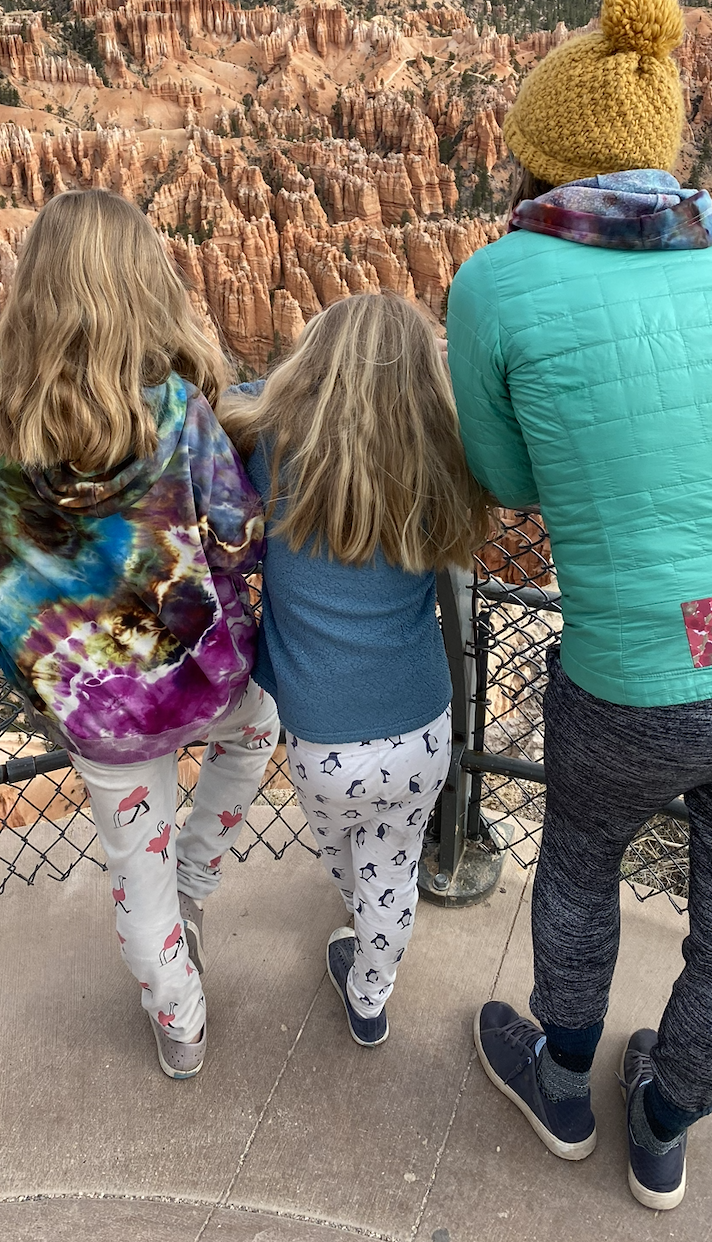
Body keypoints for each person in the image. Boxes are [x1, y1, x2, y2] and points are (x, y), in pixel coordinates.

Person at [446, 0, 712, 1210]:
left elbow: (505, 479)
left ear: (542, 153)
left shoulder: (498, 281)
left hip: (642, 669)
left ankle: (564, 1080)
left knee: (580, 864)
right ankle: (668, 1122)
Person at [0, 189, 277, 1081]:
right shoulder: (175, 409)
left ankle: (180, 1025)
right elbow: (240, 527)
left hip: (98, 711)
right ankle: (200, 884)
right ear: (139, 289)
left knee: (137, 867)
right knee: (258, 736)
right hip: (201, 677)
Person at [219, 293, 494, 1047]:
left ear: (313, 368)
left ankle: (359, 924)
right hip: (421, 729)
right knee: (396, 867)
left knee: (348, 858)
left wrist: (288, 387)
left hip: (320, 740)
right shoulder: (443, 462)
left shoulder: (275, 448)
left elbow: (226, 403)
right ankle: (371, 995)